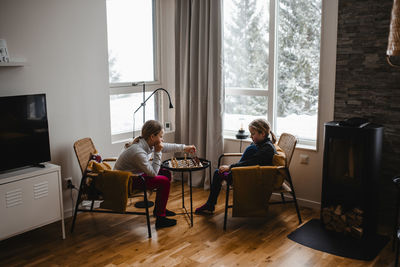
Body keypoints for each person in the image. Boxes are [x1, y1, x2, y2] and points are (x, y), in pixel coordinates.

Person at [114, 120, 196, 228]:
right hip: (125, 181)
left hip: (136, 175)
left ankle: (160, 209)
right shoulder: (137, 151)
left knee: (166, 173)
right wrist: (157, 152)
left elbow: (165, 146)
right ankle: (160, 219)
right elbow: (153, 173)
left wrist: (185, 147)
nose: (162, 139)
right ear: (152, 136)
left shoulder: (146, 142)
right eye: (161, 136)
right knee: (164, 181)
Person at [195, 118, 277, 214]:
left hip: (251, 178)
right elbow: (249, 162)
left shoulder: (266, 148)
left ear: (262, 133)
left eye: (253, 134)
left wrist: (230, 167)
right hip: (249, 174)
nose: (251, 136)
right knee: (219, 171)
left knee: (218, 173)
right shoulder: (263, 144)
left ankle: (210, 204)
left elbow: (249, 163)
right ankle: (210, 204)